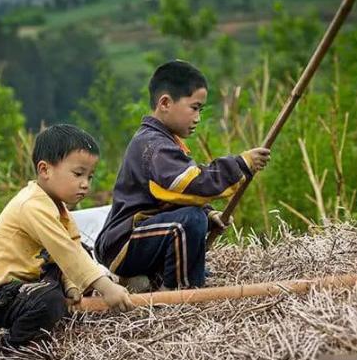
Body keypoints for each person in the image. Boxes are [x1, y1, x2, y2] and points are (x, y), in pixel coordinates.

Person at [94, 60, 270, 292]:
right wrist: (240, 165)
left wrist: (209, 215)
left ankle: (156, 280)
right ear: (165, 103)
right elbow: (194, 183)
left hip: (143, 235)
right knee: (190, 220)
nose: (198, 117)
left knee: (197, 216)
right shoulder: (153, 145)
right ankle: (181, 292)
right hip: (122, 245)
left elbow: (171, 198)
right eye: (194, 107)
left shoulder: (164, 142)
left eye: (201, 110)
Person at [0, 124, 134, 349]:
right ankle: (16, 348)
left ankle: (60, 302)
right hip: (2, 296)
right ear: (45, 170)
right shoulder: (32, 205)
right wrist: (107, 288)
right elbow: (65, 252)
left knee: (84, 255)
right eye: (78, 174)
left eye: (90, 176)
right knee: (48, 300)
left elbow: (75, 248)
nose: (85, 184)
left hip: (33, 276)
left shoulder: (59, 209)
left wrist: (72, 284)